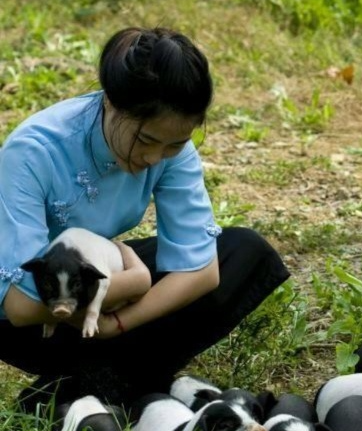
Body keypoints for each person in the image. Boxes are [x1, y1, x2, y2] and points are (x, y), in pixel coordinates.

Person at [0, 26, 290, 410]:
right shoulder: (35, 150)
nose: (155, 158)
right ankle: (104, 386)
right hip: (37, 313)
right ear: (111, 102)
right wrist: (134, 282)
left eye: (176, 143)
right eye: (146, 140)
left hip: (95, 292)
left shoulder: (171, 148)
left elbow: (202, 269)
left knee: (244, 252)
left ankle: (84, 388)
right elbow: (20, 305)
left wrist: (117, 323)